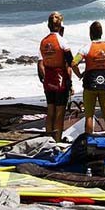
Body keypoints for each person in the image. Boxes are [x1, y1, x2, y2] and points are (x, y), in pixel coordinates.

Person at [72, 21, 105, 147]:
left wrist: (80, 75)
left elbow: (74, 63)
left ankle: (89, 144)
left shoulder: (86, 48)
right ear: (101, 33)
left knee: (89, 116)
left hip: (90, 85)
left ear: (90, 33)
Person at [37, 12, 73, 141]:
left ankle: (48, 140)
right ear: (60, 26)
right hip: (60, 78)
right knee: (60, 112)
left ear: (48, 25)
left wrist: (44, 78)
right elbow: (70, 61)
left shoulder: (43, 41)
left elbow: (40, 63)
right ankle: (57, 140)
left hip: (48, 79)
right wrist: (74, 78)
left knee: (50, 110)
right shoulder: (62, 41)